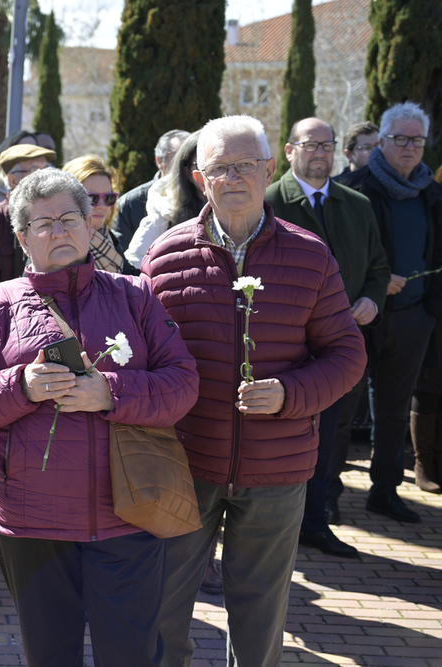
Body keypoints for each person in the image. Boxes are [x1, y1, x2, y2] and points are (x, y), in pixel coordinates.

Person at [0, 168, 198, 666]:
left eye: (69, 218)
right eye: (43, 224)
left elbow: (183, 385)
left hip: (129, 514)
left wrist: (112, 392)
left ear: (91, 224)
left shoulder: (135, 296)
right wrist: (20, 386)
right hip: (33, 523)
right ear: (21, 238)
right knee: (50, 656)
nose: (59, 231)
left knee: (131, 656)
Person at [142, 115, 366, 667]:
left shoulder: (310, 254)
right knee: (163, 606)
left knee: (259, 611)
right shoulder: (167, 258)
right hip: (186, 466)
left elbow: (346, 354)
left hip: (276, 468)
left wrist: (290, 393)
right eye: (222, 167)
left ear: (269, 169)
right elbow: (145, 360)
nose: (235, 177)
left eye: (246, 164)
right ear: (200, 178)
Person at [265, 117, 391, 555]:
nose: (320, 152)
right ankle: (277, 529)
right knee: (281, 438)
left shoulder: (356, 204)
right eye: (310, 145)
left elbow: (377, 266)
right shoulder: (269, 203)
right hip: (280, 347)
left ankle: (317, 521)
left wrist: (373, 299)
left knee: (332, 435)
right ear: (289, 151)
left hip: (339, 345)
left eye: (327, 145)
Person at [338, 102, 442, 523]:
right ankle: (327, 493)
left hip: (414, 317)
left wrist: (429, 310)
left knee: (396, 410)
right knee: (344, 409)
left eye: (417, 140)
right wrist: (377, 283)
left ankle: (385, 491)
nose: (409, 147)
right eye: (400, 139)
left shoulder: (431, 194)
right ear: (381, 141)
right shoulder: (354, 189)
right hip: (362, 317)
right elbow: (340, 255)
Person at [124, 131, 206, 269]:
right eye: (201, 165)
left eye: (220, 166)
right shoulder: (164, 214)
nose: (209, 172)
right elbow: (135, 266)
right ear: (187, 172)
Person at [0, 144, 56, 283]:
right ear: (13, 180)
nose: (45, 177)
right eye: (35, 170)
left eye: (47, 169)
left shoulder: (58, 217)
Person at [114, 129, 189, 251]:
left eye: (191, 159)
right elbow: (123, 261)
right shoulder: (129, 205)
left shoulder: (206, 198)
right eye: (179, 158)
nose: (185, 166)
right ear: (160, 161)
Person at [61, 155, 135, 275]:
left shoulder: (109, 238)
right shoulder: (58, 246)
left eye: (108, 197)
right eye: (91, 198)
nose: (101, 205)